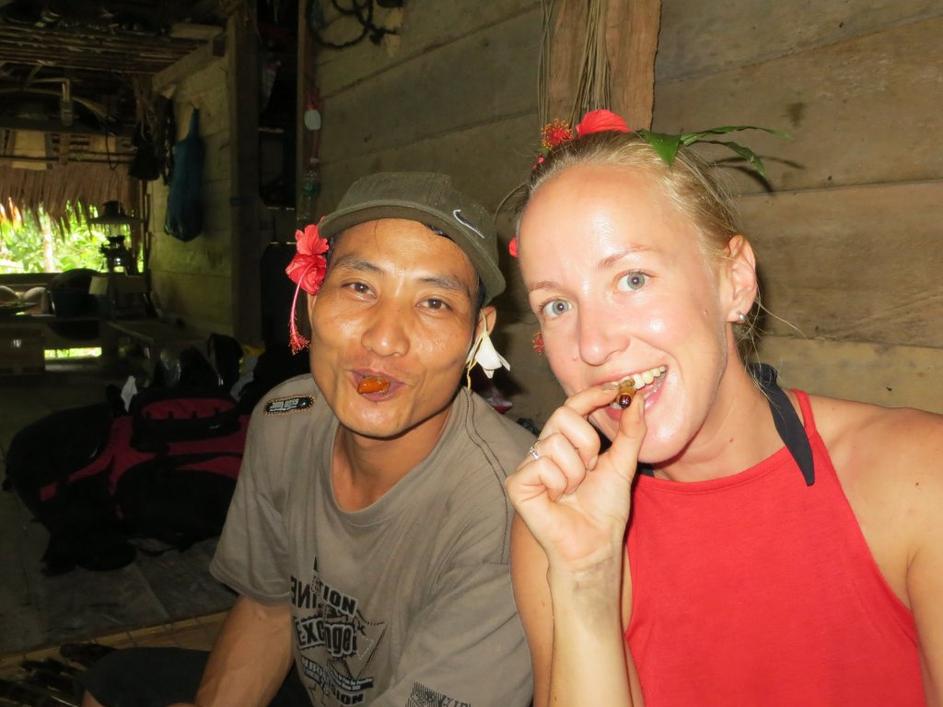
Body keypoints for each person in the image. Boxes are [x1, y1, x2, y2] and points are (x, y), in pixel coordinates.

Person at [506, 110, 943, 707]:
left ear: (733, 281)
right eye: (557, 306)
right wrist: (585, 580)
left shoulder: (919, 476)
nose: (594, 345)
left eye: (633, 279)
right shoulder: (558, 526)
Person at [81, 172, 535, 707]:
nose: (384, 339)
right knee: (113, 685)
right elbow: (269, 607)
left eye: (434, 302)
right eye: (360, 287)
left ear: (478, 333)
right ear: (313, 300)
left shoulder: (511, 502)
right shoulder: (286, 419)